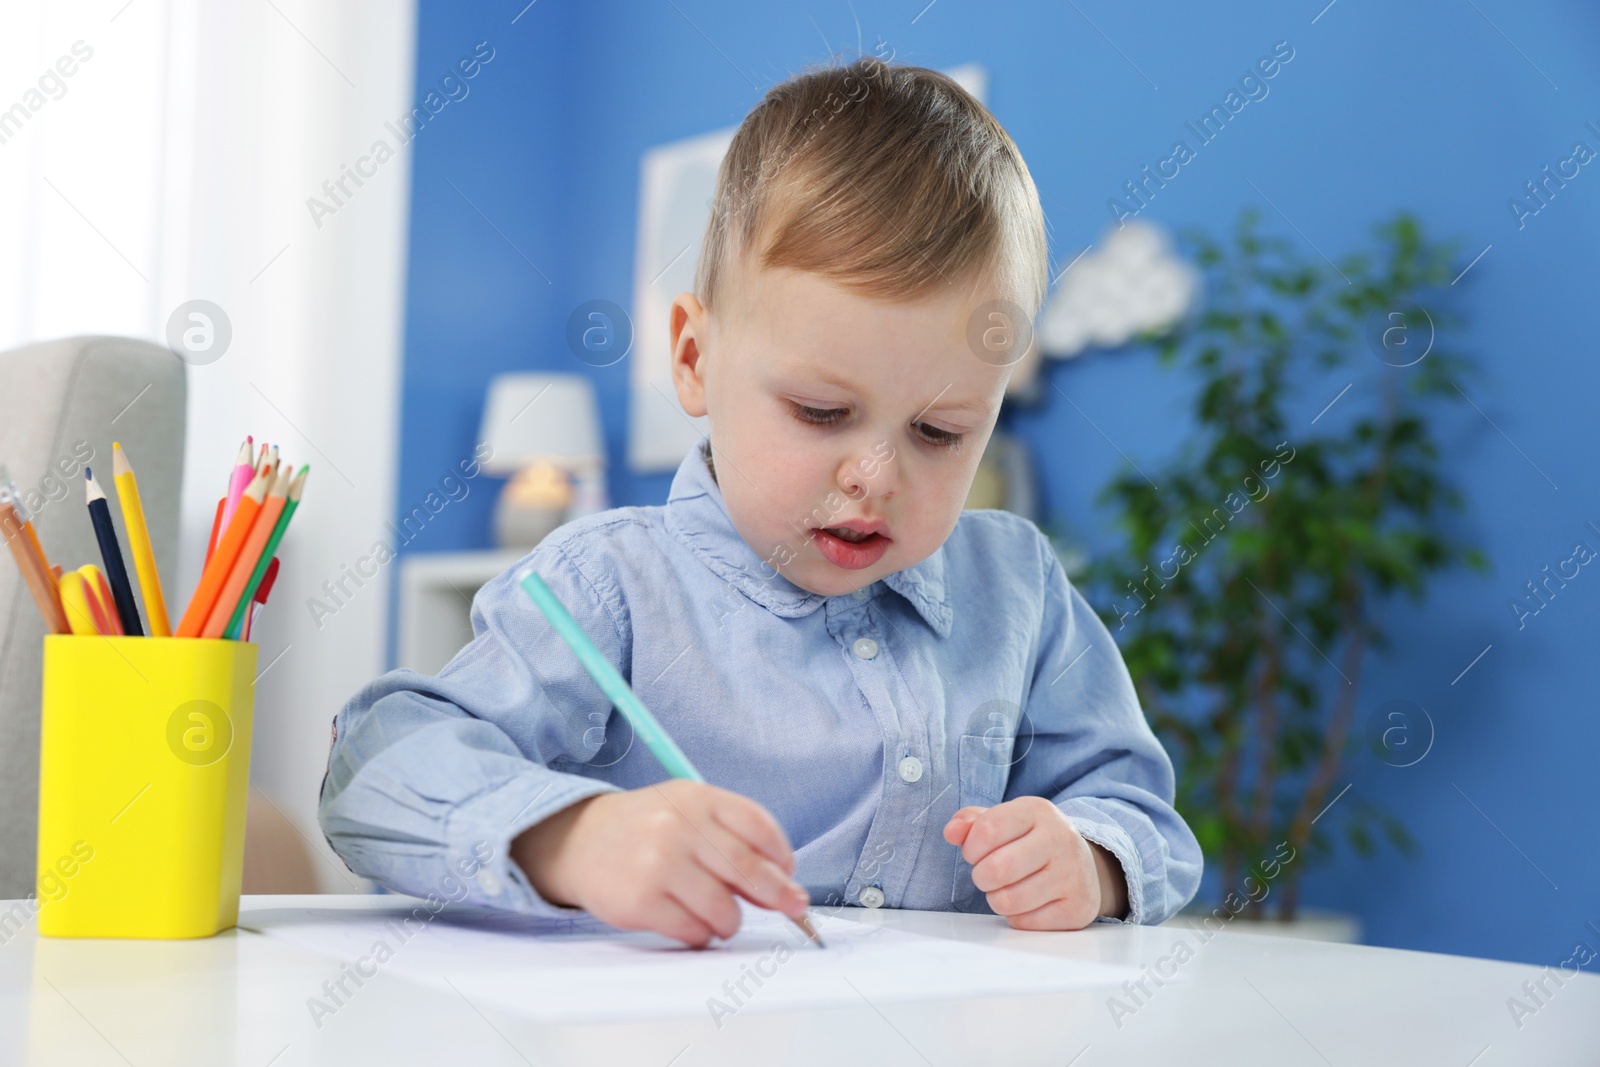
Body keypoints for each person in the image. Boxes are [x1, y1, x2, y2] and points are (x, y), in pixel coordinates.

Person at [318, 55, 1202, 947]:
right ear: (696, 360)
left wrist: (1092, 859)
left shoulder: (1019, 589)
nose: (873, 476)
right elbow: (372, 770)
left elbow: (1137, 807)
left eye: (939, 432)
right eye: (822, 412)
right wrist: (570, 837)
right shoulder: (607, 587)